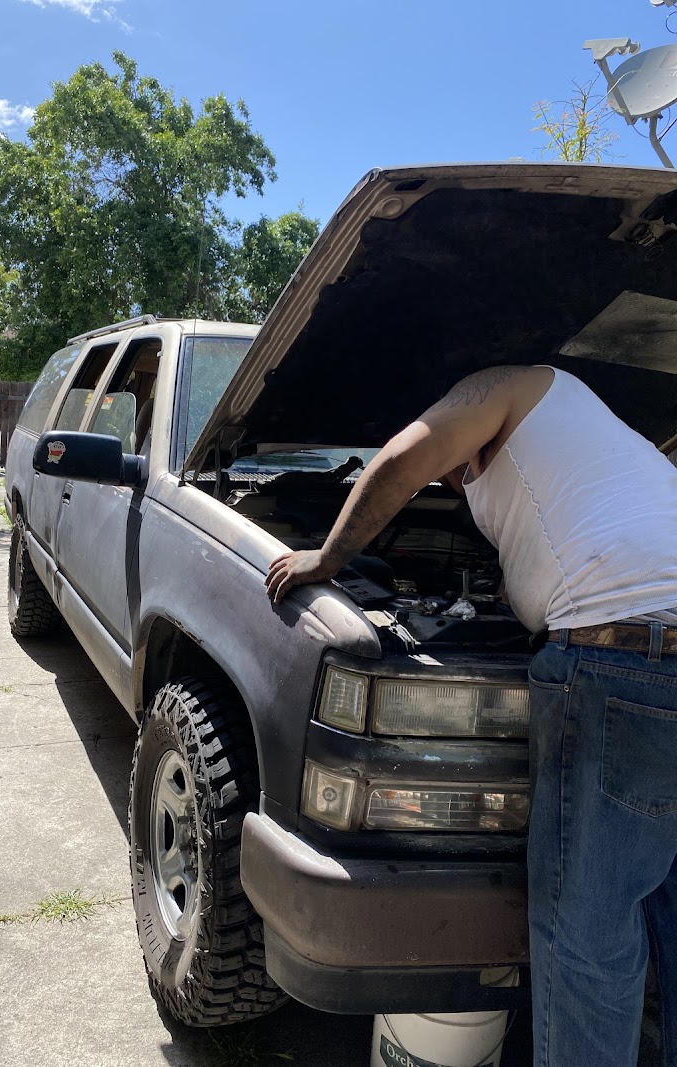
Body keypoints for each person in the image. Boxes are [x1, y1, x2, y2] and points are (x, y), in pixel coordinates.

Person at [266, 364, 677, 1067]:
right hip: (648, 659)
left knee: (587, 932)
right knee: (662, 898)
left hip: (622, 667)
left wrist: (326, 559)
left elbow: (402, 458)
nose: (452, 485)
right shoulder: (606, 447)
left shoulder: (503, 386)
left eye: (454, 473)